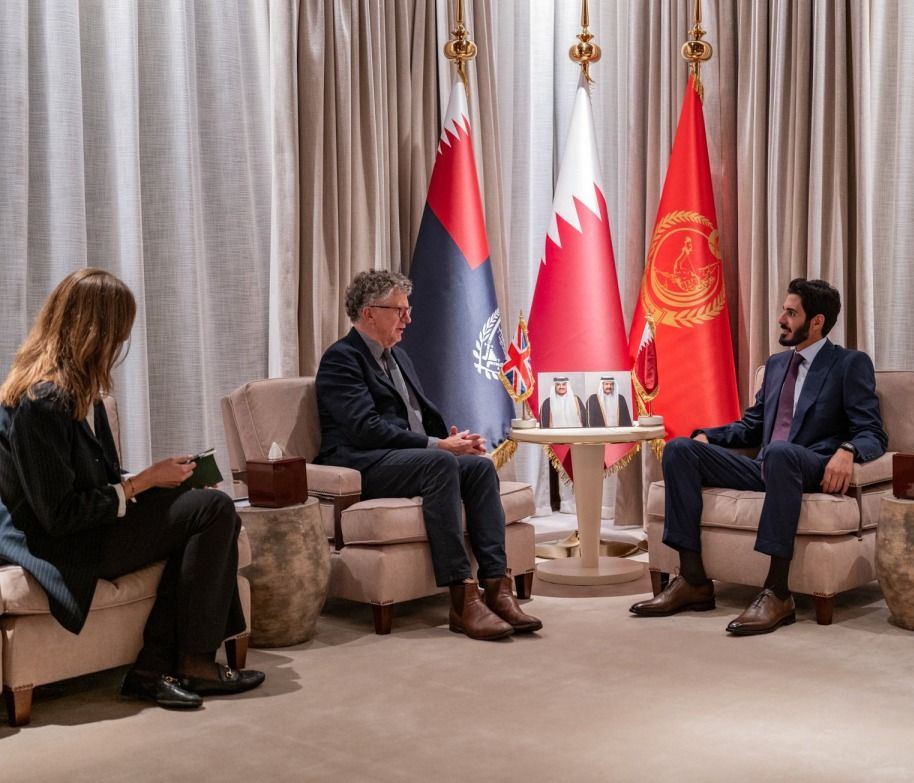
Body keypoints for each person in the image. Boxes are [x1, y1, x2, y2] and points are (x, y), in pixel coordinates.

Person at [0, 269, 264, 710]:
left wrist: (170, 480)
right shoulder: (41, 402)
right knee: (214, 510)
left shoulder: (82, 393)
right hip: (60, 544)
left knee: (205, 505)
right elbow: (58, 515)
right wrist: (144, 482)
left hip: (90, 526)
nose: (122, 341)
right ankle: (183, 664)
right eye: (119, 330)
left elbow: (101, 477)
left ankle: (158, 669)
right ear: (94, 331)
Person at [630, 278, 887, 635]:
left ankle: (777, 593)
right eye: (784, 310)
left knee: (780, 453)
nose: (781, 319)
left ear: (817, 322)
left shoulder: (848, 364)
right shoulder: (777, 365)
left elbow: (873, 432)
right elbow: (752, 426)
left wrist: (849, 450)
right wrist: (709, 436)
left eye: (791, 313)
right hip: (765, 466)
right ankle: (693, 581)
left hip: (809, 467)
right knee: (680, 450)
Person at [314, 269, 541, 640]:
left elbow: (414, 419)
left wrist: (450, 441)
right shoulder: (342, 359)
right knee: (440, 462)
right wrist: (437, 447)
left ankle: (497, 588)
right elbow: (364, 428)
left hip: (409, 459)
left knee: (480, 469)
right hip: (364, 463)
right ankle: (461, 598)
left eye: (409, 309)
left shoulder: (399, 358)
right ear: (369, 313)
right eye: (399, 310)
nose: (408, 318)